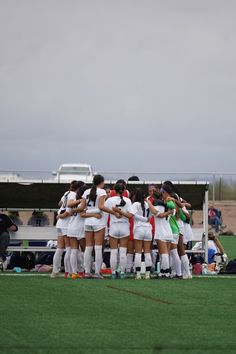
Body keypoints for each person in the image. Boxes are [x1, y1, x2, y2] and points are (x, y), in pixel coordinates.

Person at [79, 174, 117, 279]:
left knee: (88, 247)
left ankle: (87, 272)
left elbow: (82, 207)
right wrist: (113, 213)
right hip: (98, 222)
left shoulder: (86, 192)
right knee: (98, 247)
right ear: (101, 182)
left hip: (87, 221)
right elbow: (101, 207)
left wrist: (87, 211)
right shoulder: (102, 191)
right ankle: (97, 272)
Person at [67, 183, 102, 279]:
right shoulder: (83, 200)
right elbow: (82, 212)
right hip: (80, 228)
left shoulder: (74, 200)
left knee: (74, 250)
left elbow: (69, 205)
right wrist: (94, 215)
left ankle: (74, 272)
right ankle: (85, 270)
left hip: (71, 226)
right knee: (86, 250)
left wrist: (73, 210)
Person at [51, 180, 80, 278]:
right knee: (69, 248)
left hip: (60, 225)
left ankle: (55, 271)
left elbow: (60, 203)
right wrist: (61, 216)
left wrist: (59, 215)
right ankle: (68, 272)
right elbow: (68, 211)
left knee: (59, 248)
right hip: (65, 224)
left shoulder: (66, 193)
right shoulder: (73, 195)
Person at [105, 183, 133, 279]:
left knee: (113, 252)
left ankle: (113, 273)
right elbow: (130, 215)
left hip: (113, 226)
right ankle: (122, 273)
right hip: (124, 226)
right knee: (123, 251)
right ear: (124, 190)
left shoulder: (109, 200)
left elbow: (104, 210)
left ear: (114, 190)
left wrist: (114, 211)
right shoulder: (128, 200)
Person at [147, 191, 174, 279]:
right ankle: (164, 272)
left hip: (161, 232)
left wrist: (149, 203)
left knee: (164, 254)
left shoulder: (157, 205)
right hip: (168, 231)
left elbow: (159, 214)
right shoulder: (168, 205)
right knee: (166, 254)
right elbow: (171, 212)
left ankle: (165, 273)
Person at [132, 189, 153, 279]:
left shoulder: (135, 204)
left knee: (138, 252)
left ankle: (138, 274)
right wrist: (146, 219)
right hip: (148, 228)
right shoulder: (148, 204)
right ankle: (147, 274)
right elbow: (151, 215)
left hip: (139, 228)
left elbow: (133, 215)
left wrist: (143, 219)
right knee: (147, 252)